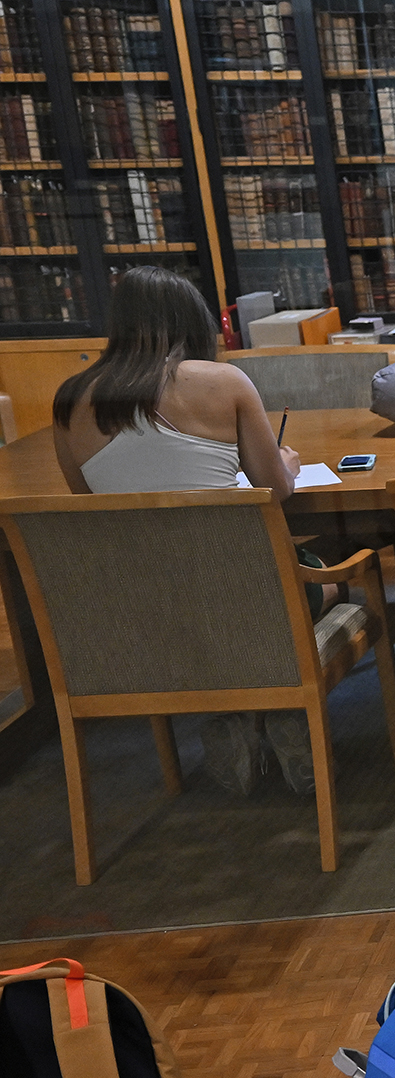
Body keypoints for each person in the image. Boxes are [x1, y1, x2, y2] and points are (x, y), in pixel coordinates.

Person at [50, 266, 308, 795]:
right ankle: (284, 712)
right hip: (246, 603)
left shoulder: (70, 401)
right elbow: (274, 491)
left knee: (202, 608)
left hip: (143, 613)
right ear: (193, 323)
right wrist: (286, 462)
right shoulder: (223, 382)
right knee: (324, 578)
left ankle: (232, 720)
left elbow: (91, 511)